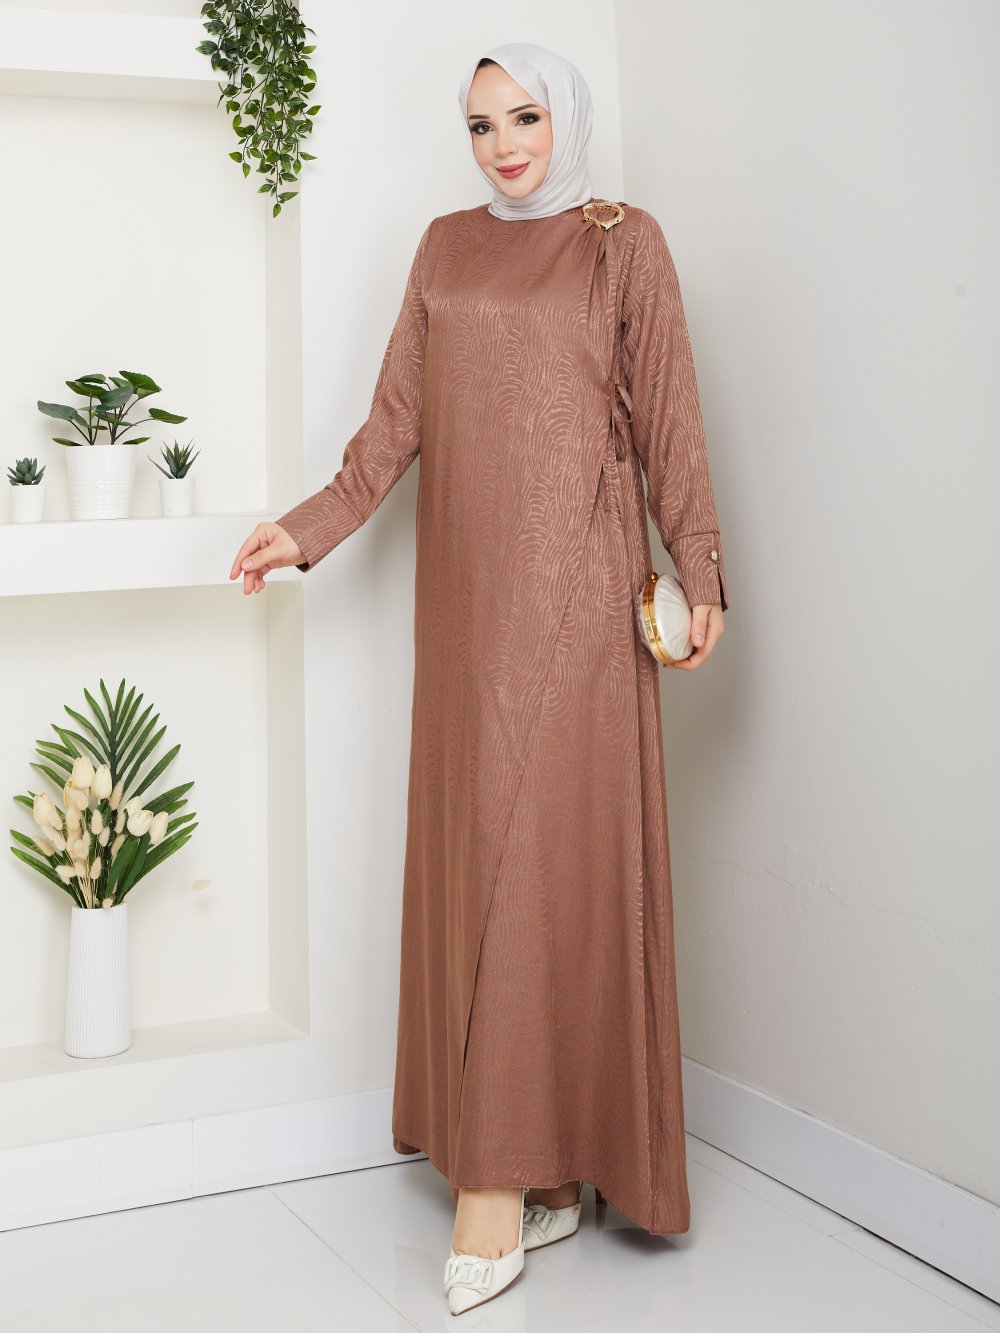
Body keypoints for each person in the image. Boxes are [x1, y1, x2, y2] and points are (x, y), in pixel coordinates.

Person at [229, 40, 728, 1316]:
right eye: (479, 125)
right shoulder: (445, 249)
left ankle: (497, 1181)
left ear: (566, 119)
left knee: (542, 857)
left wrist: (702, 570)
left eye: (524, 117)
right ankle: (544, 1169)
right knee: (492, 863)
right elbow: (393, 423)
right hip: (464, 605)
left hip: (579, 597)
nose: (503, 145)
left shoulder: (623, 244)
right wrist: (305, 529)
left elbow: (669, 416)